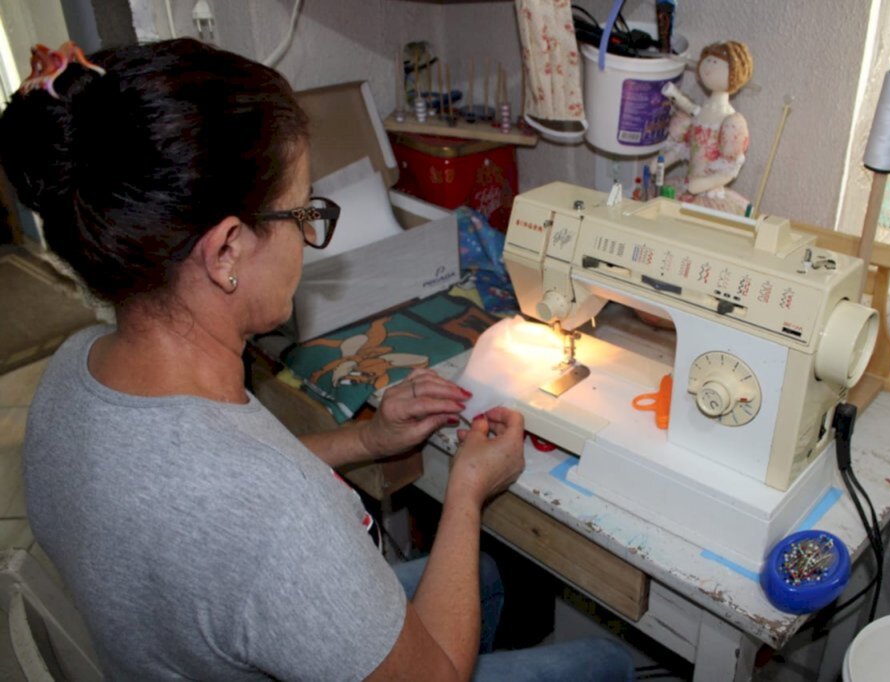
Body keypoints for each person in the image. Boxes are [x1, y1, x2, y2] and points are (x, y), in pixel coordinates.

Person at [0, 38, 634, 681]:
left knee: (487, 577)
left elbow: (200, 493)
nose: (309, 237)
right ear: (225, 252)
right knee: (605, 663)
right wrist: (468, 492)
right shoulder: (279, 518)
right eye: (302, 211)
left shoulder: (72, 371)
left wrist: (368, 436)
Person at [660, 40, 754, 214]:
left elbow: (731, 169)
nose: (709, 66)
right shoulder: (696, 114)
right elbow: (687, 148)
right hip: (687, 186)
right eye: (708, 60)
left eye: (717, 63)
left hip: (709, 193)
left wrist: (704, 183)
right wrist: (662, 162)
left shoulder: (732, 122)